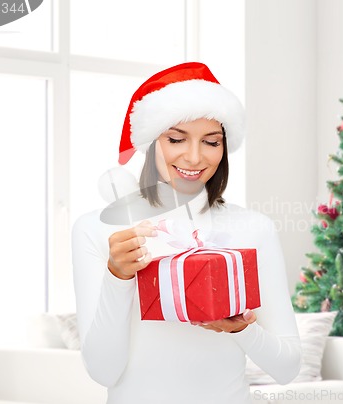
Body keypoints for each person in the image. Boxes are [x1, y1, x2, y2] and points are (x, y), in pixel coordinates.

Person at [72, 62, 301, 404]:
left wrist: (241, 328)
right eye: (176, 139)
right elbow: (103, 372)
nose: (194, 158)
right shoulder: (98, 228)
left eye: (211, 142)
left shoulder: (252, 229)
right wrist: (117, 276)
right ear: (150, 143)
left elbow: (287, 367)